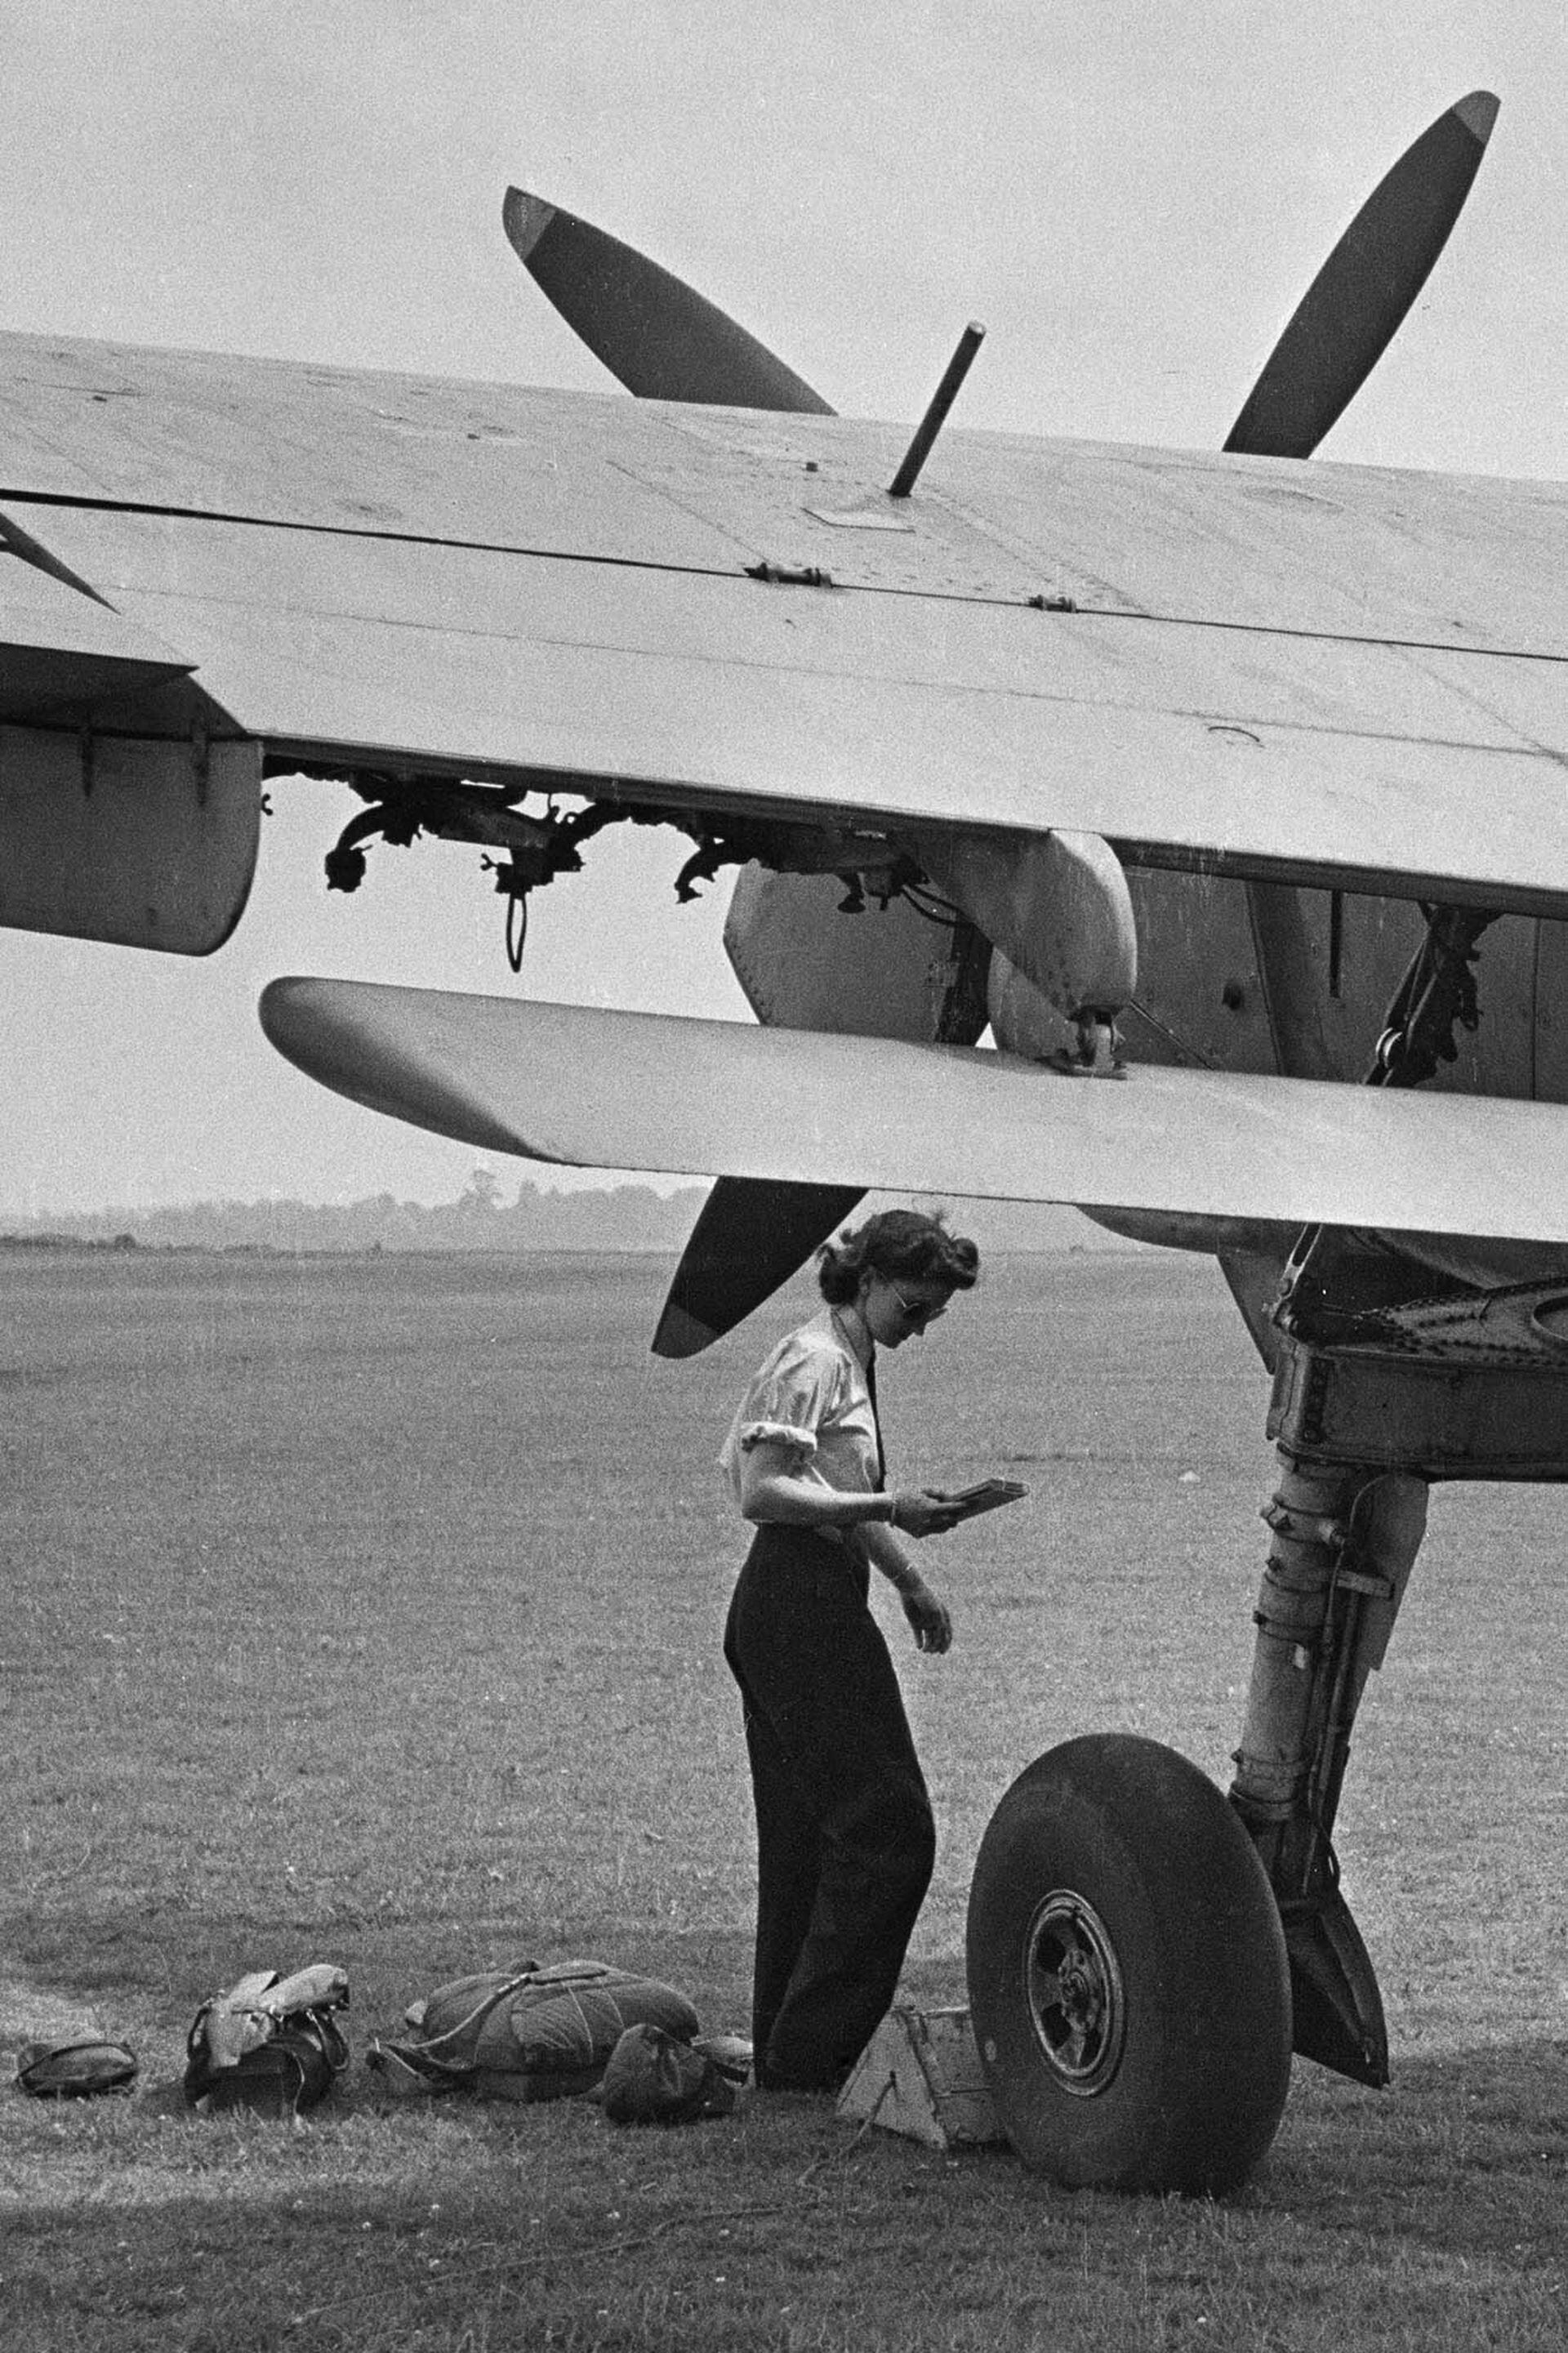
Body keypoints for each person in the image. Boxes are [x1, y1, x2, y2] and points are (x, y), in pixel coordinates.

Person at [718, 1207, 980, 2093]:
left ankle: (790, 2054)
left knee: (806, 1838)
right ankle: (818, 2052)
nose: (918, 1328)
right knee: (892, 1832)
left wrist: (908, 1577)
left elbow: (835, 1485)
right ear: (866, 1281)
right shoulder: (816, 1358)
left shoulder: (854, 1353)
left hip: (806, 1602)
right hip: (795, 1606)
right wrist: (890, 1507)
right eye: (912, 1306)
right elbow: (765, 1493)